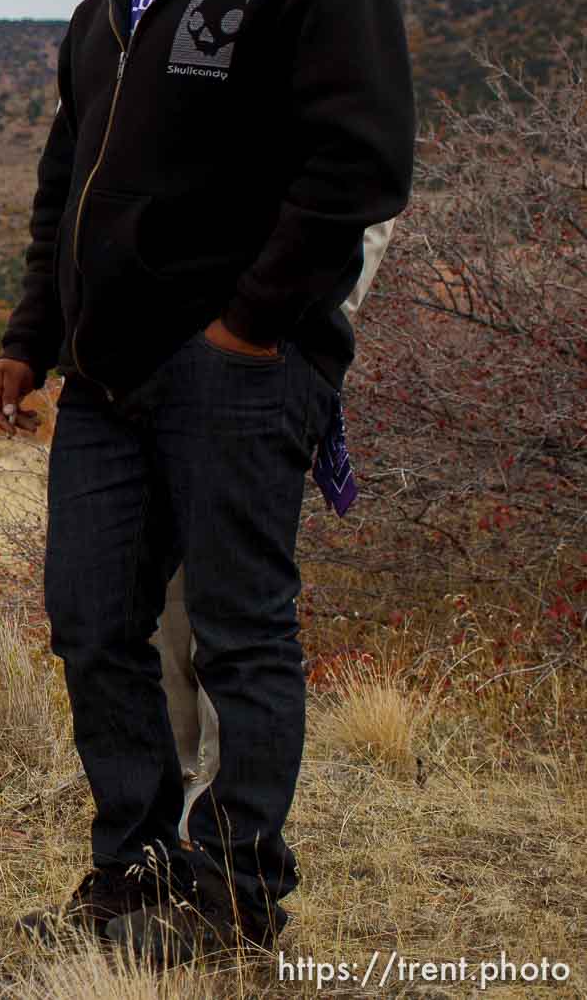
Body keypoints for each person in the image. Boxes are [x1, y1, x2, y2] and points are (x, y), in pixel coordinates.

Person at [0, 0, 415, 963]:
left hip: (236, 372)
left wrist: (248, 324)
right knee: (90, 620)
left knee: (239, 634)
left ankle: (232, 899)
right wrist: (30, 340)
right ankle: (133, 870)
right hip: (107, 379)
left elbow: (361, 165)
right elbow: (67, 182)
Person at [158, 218, 393, 837]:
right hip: (150, 356)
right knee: (161, 602)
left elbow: (364, 198)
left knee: (233, 607)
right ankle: (177, 797)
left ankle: (220, 824)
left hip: (257, 358)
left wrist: (269, 322)